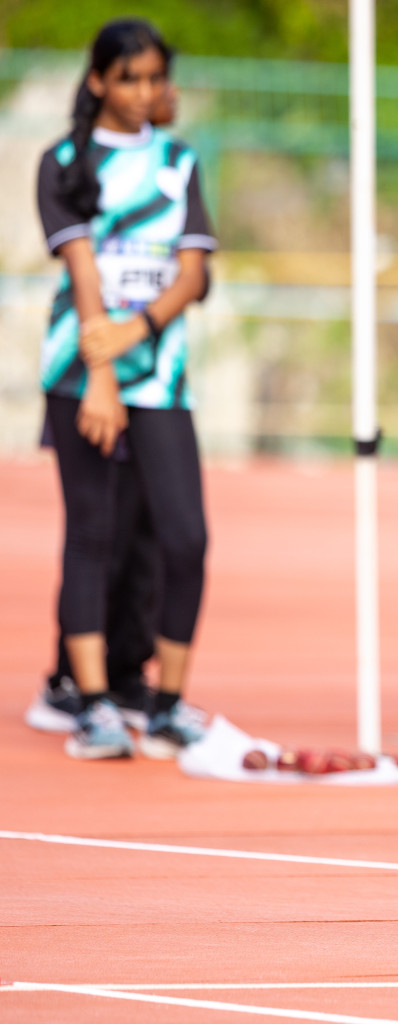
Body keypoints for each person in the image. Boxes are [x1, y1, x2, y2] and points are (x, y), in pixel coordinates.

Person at [36, 18, 215, 760]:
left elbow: (193, 273)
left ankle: (166, 701)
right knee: (93, 535)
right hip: (80, 372)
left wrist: (137, 333)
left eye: (153, 78)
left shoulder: (178, 159)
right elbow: (82, 272)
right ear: (99, 80)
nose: (143, 92)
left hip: (161, 375)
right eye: (129, 78)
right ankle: (93, 704)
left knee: (186, 538)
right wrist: (100, 376)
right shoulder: (64, 159)